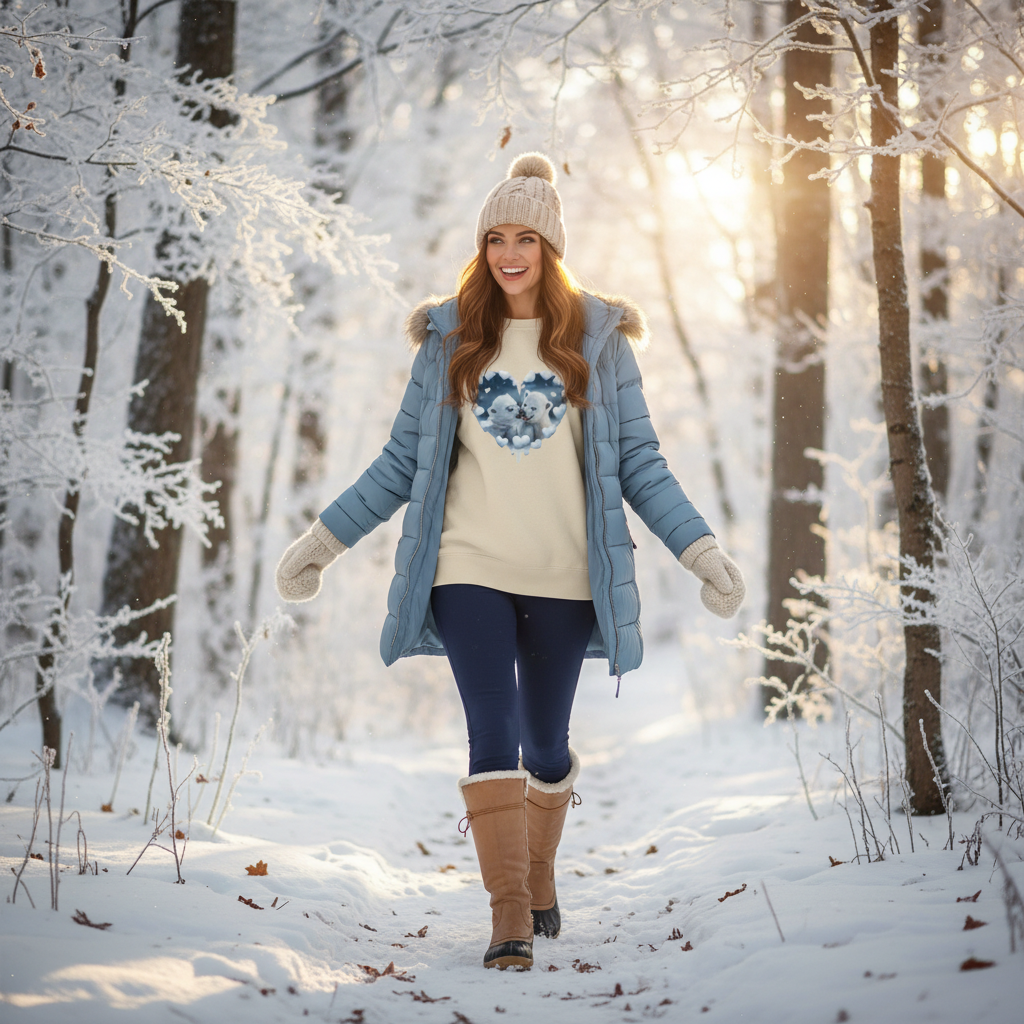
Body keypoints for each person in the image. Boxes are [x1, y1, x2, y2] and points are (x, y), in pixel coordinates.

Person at [275, 152, 745, 972]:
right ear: (482, 246)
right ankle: (509, 921)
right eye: (495, 236)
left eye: (526, 236)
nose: (508, 252)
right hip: (469, 570)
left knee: (546, 745)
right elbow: (399, 464)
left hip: (565, 578)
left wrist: (700, 551)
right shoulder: (449, 337)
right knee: (490, 733)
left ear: (551, 247)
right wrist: (324, 542)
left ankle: (537, 871)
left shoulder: (598, 340)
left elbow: (641, 464)